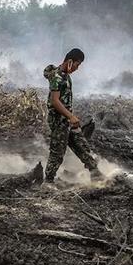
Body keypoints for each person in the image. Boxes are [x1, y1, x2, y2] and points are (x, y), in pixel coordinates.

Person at [43, 48, 102, 184]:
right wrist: (71, 116)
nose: (77, 68)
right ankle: (48, 182)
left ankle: (96, 174)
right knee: (57, 152)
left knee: (82, 146)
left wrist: (71, 117)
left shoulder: (66, 76)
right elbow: (55, 101)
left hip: (66, 120)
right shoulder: (57, 77)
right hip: (58, 121)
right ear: (70, 61)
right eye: (77, 64)